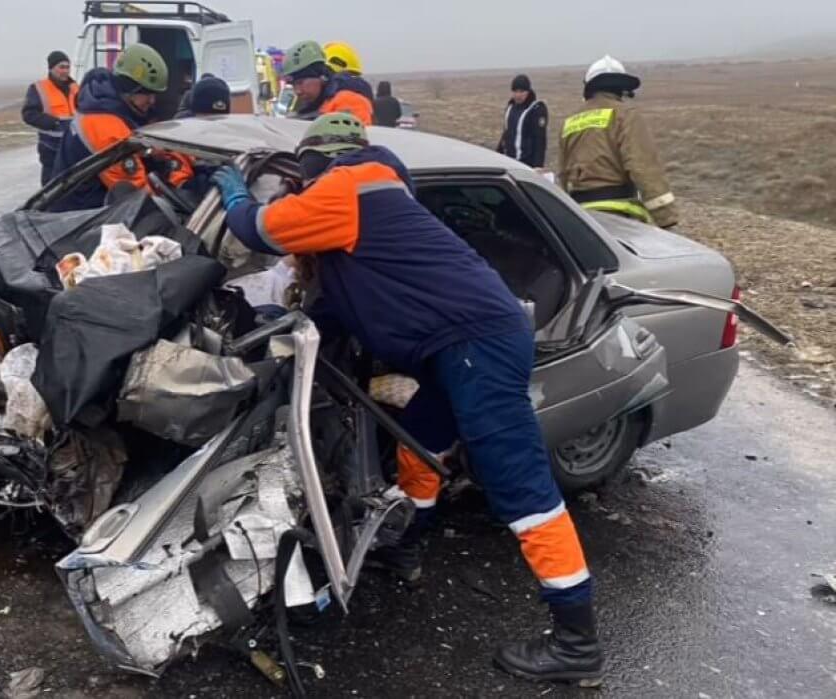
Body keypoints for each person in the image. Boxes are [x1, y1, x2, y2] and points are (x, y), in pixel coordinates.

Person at [210, 113, 602, 685]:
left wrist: (236, 193)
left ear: (316, 163)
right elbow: (339, 305)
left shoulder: (349, 186)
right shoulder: (369, 211)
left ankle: (577, 643)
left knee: (521, 487)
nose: (303, 189)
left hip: (477, 346)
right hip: (459, 346)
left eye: (303, 177)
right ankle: (405, 547)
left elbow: (258, 230)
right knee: (419, 442)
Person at [51, 43, 190, 211]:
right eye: (147, 93)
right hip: (83, 217)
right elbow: (139, 197)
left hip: (74, 204)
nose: (152, 101)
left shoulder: (102, 105)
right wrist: (177, 191)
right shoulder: (107, 127)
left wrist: (148, 152)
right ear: (129, 89)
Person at [558, 55, 679, 228]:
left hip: (581, 217)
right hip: (619, 215)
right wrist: (666, 219)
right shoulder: (626, 116)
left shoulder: (570, 122)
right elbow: (643, 167)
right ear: (622, 89)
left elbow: (562, 174)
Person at [282, 40, 374, 125]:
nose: (298, 91)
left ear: (321, 77)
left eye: (300, 83)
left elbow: (352, 138)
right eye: (293, 85)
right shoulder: (314, 104)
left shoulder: (347, 101)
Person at [22, 51, 79, 186]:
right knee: (51, 186)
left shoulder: (75, 87)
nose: (65, 71)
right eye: (61, 67)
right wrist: (52, 122)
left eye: (67, 67)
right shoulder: (38, 88)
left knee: (74, 183)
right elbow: (29, 114)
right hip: (51, 147)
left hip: (72, 145)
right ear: (51, 68)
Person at [497, 74, 548, 168]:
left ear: (528, 91)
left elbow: (540, 140)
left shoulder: (536, 109)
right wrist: (497, 155)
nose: (518, 95)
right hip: (509, 162)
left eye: (521, 91)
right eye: (515, 91)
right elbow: (506, 134)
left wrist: (538, 166)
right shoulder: (510, 108)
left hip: (526, 164)